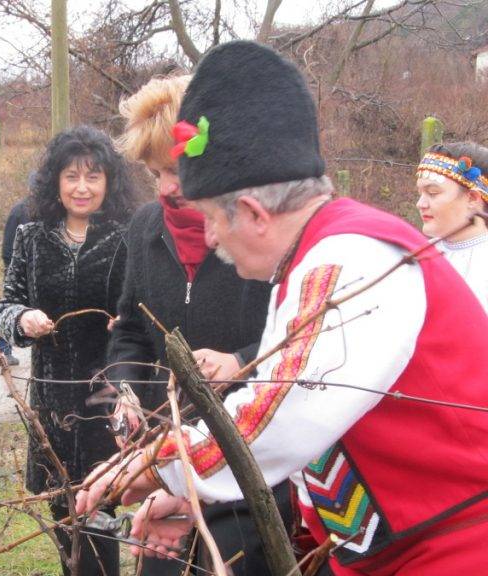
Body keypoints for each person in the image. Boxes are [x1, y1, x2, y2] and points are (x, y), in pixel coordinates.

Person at [77, 41, 488, 576]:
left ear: (251, 212)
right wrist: (195, 500)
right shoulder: (311, 263)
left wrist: (160, 465)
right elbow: (310, 437)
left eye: (210, 217)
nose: (210, 235)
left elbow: (282, 417)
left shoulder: (351, 259)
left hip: (454, 552)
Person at [107, 74, 285, 575]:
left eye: (174, 169)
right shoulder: (144, 228)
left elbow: (302, 339)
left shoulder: (260, 233)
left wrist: (241, 362)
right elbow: (129, 330)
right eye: (153, 172)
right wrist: (125, 390)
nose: (164, 187)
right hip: (169, 455)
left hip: (251, 459)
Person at [0, 125, 135, 576]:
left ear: (109, 182)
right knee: (62, 511)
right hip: (51, 401)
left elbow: (146, 310)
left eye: (93, 177)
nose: (82, 187)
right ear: (55, 181)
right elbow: (3, 304)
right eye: (72, 176)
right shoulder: (31, 237)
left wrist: (127, 323)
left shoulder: (126, 238)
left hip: (106, 397)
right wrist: (21, 318)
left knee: (101, 510)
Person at [416, 142, 488, 312]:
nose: (420, 204)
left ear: (472, 198)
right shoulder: (417, 256)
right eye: (420, 194)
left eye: (433, 193)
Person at [0, 196, 31, 365]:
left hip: (38, 271)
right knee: (12, 308)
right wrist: (11, 268)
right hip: (16, 268)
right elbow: (8, 244)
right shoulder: (19, 210)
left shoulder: (51, 209)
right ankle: (4, 351)